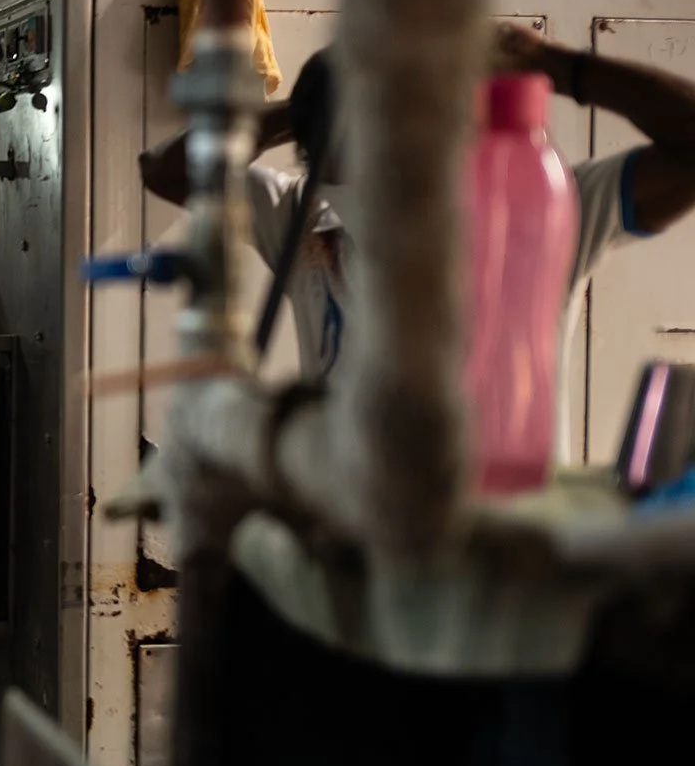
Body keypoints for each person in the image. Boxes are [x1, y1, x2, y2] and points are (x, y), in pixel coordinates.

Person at [137, 24, 695, 462]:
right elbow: (167, 171)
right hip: (353, 560)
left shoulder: (542, 213)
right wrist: (304, 112)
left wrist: (556, 66)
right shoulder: (306, 220)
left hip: (497, 556)